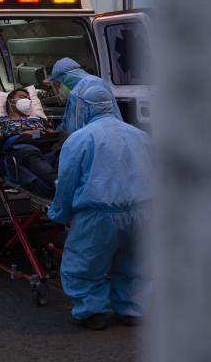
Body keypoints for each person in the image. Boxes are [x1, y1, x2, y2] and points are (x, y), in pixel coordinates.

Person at [47, 82, 153, 331]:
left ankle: (93, 312)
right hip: (143, 210)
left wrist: (59, 214)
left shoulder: (79, 140)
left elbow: (67, 184)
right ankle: (134, 309)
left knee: (85, 264)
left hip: (99, 214)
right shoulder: (140, 135)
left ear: (79, 107)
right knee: (135, 263)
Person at [0, 89, 62, 198]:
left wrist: (33, 134)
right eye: (23, 97)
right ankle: (58, 183)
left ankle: (68, 180)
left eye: (29, 98)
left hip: (46, 151)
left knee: (66, 140)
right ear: (11, 101)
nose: (27, 100)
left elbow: (52, 135)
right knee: (28, 150)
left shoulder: (39, 121)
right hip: (19, 154)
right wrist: (24, 135)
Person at [49, 57, 123, 133]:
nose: (58, 89)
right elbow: (68, 120)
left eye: (58, 83)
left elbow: (79, 126)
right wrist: (56, 131)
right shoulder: (75, 92)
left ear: (66, 78)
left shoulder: (92, 83)